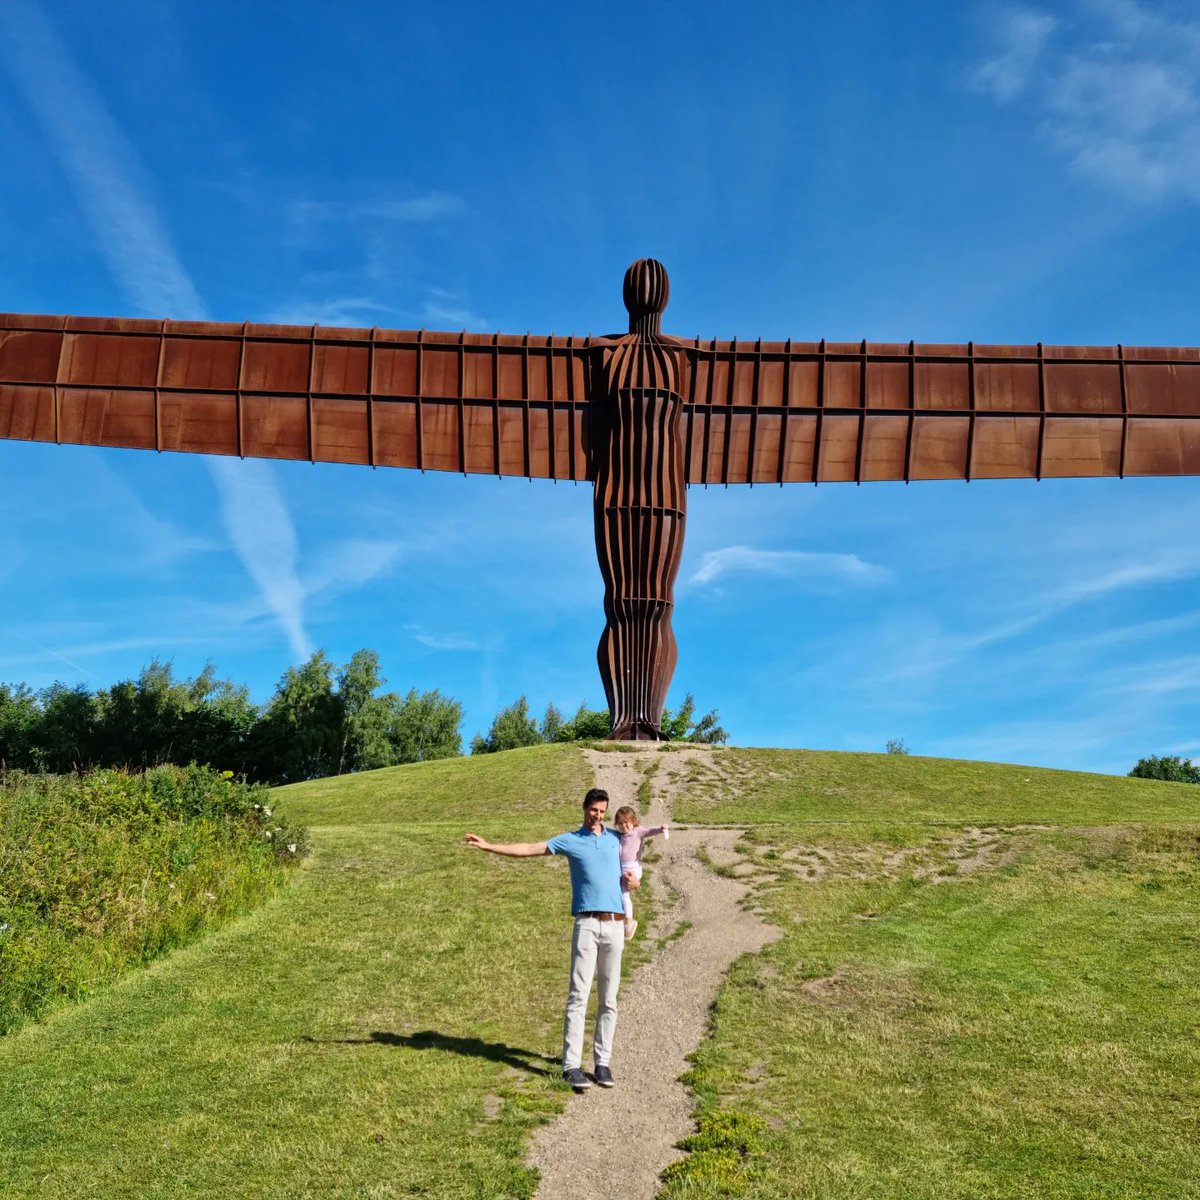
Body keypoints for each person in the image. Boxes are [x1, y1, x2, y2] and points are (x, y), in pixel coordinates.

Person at [464, 787, 628, 1093]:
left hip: (615, 925)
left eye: (603, 811)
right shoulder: (570, 840)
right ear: (584, 809)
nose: (598, 816)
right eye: (594, 810)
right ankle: (571, 1066)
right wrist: (490, 847)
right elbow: (530, 848)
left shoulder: (616, 839)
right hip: (587, 923)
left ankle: (602, 1062)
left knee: (609, 999)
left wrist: (636, 880)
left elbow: (634, 862)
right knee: (578, 995)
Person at [612, 805, 667, 940]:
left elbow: (649, 831)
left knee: (625, 896)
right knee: (620, 894)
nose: (623, 826)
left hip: (633, 868)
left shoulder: (638, 831)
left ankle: (629, 922)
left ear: (633, 821)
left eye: (626, 822)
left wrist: (661, 829)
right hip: (621, 867)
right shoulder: (620, 835)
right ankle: (623, 919)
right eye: (620, 823)